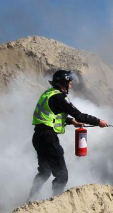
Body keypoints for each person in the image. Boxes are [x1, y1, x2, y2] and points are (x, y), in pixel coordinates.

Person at [28, 70, 108, 201]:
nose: (71, 85)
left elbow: (51, 114)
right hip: (48, 138)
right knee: (62, 175)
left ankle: (31, 199)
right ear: (63, 83)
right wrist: (98, 122)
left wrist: (71, 121)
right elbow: (80, 115)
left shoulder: (49, 93)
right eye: (69, 83)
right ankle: (56, 203)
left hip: (38, 137)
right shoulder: (60, 97)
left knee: (45, 172)